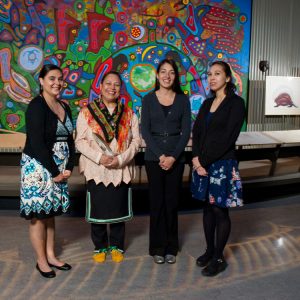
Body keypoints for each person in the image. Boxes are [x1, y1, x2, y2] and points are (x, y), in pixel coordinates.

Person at [75, 71, 140, 263]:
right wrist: (99, 157)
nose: (112, 88)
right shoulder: (86, 112)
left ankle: (117, 245)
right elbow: (79, 142)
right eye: (108, 84)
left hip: (121, 168)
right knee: (98, 209)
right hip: (97, 169)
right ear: (100, 87)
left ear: (121, 88)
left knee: (118, 209)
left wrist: (120, 160)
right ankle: (100, 246)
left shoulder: (129, 113)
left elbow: (136, 141)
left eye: (117, 85)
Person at [191, 60, 245, 276]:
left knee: (219, 209)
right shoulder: (206, 103)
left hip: (222, 163)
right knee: (206, 208)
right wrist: (195, 158)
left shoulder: (236, 103)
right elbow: (197, 134)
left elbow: (227, 138)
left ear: (227, 78)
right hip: (202, 163)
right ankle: (210, 250)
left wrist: (203, 160)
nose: (212, 78)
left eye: (217, 74)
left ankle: (219, 257)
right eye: (210, 74)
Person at [20, 64, 75, 278]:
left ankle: (51, 255)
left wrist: (69, 167)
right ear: (41, 81)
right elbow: (37, 142)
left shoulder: (64, 106)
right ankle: (41, 261)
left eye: (60, 79)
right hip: (38, 166)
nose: (57, 82)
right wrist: (54, 171)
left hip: (59, 167)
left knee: (50, 213)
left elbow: (70, 139)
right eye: (52, 78)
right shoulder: (36, 106)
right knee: (39, 215)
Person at [141, 58, 191, 264]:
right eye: (163, 71)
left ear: (175, 76)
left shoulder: (182, 99)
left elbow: (186, 131)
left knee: (172, 202)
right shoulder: (148, 99)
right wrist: (161, 156)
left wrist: (173, 157)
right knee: (157, 203)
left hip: (176, 158)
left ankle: (171, 246)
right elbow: (145, 130)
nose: (167, 76)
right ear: (157, 75)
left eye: (171, 72)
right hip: (154, 158)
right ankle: (157, 247)